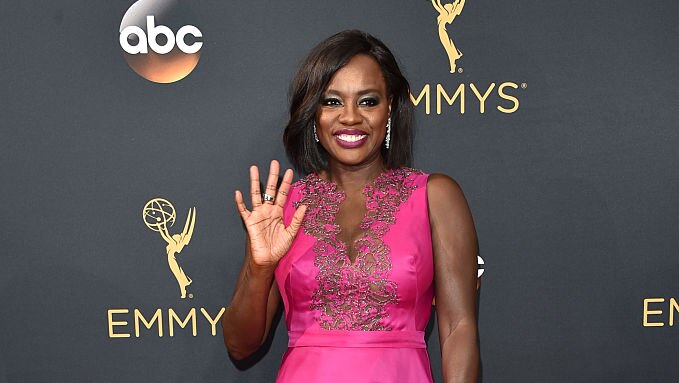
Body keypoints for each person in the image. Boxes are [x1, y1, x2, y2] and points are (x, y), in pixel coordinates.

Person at [222, 30, 479, 383]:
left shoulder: (434, 196)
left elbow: (458, 329)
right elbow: (240, 345)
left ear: (390, 108)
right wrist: (259, 266)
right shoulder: (285, 207)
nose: (350, 117)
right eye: (332, 102)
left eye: (368, 101)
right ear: (313, 114)